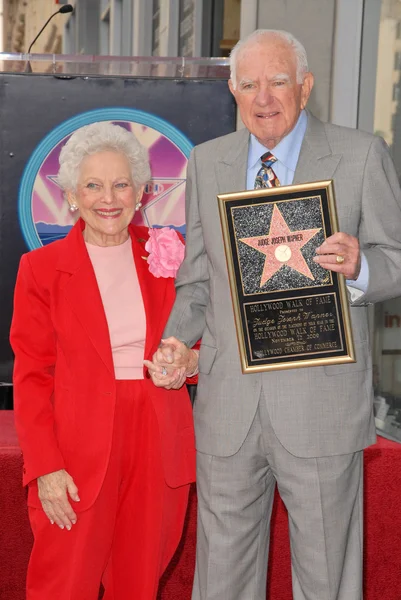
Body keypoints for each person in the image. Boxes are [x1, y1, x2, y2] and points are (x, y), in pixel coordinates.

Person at [145, 29, 401, 600]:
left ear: (305, 87)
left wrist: (360, 265)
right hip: (228, 406)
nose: (265, 98)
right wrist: (174, 343)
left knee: (327, 581)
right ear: (233, 91)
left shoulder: (360, 155)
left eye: (279, 81)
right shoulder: (208, 162)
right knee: (222, 582)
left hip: (322, 406)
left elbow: (397, 261)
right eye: (250, 84)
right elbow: (197, 279)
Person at [10, 122, 195, 600]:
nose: (107, 198)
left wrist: (188, 363)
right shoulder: (41, 270)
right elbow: (31, 378)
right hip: (75, 450)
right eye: (93, 185)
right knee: (62, 584)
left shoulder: (168, 259)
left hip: (156, 438)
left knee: (137, 584)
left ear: (140, 193)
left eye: (120, 184)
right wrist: (45, 466)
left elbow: (210, 344)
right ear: (72, 195)